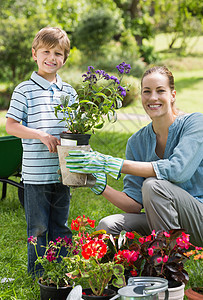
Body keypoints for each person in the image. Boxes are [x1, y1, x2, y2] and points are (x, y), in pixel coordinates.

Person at [66, 66, 203, 247]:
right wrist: (99, 185)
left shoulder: (195, 123)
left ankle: (169, 263)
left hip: (198, 220)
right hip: (165, 220)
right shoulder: (136, 142)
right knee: (108, 226)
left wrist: (112, 163)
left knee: (153, 185)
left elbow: (178, 171)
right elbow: (134, 204)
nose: (153, 97)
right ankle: (118, 271)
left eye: (160, 90)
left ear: (173, 95)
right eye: (147, 92)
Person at [6, 27, 77, 276]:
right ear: (34, 54)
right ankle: (39, 273)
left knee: (61, 224)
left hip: (62, 172)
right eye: (46, 51)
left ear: (65, 58)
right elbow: (11, 125)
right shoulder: (24, 90)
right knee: (37, 228)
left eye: (58, 53)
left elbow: (75, 128)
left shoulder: (69, 92)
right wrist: (40, 135)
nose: (52, 58)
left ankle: (64, 268)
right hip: (35, 174)